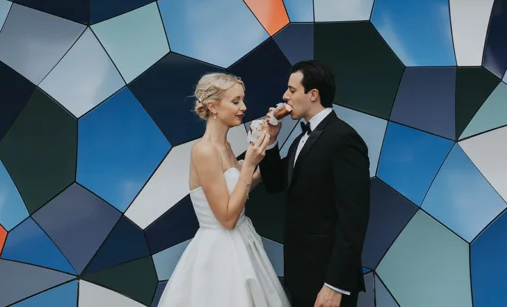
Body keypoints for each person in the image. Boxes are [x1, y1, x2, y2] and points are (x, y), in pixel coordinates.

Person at [158, 72, 291, 307]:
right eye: (235, 101)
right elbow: (227, 218)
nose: (244, 107)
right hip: (220, 253)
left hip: (243, 241)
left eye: (242, 100)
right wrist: (249, 164)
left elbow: (242, 182)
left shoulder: (225, 146)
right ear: (213, 106)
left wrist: (266, 144)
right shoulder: (204, 151)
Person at [260, 61, 371, 307]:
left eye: (291, 89)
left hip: (328, 282)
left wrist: (335, 285)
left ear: (313, 95)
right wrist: (270, 141)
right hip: (300, 276)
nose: (285, 96)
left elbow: (354, 218)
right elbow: (275, 184)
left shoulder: (344, 139)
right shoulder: (299, 139)